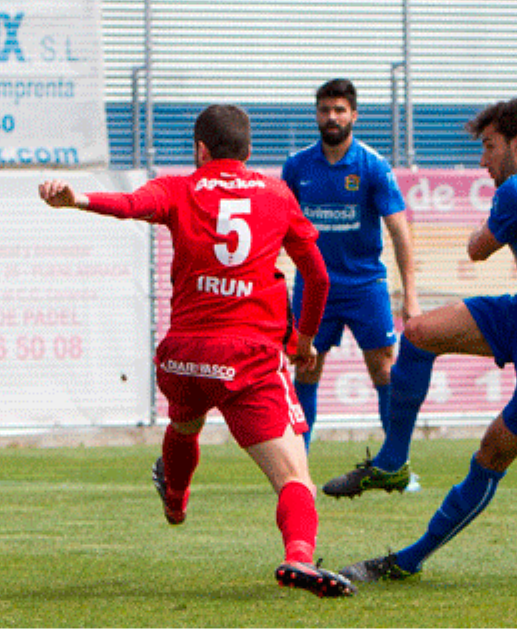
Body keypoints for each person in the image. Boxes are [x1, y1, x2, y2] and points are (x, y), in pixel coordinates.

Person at [39, 104, 353, 598]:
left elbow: (127, 204)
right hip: (247, 356)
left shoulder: (178, 188)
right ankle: (299, 559)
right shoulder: (276, 193)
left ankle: (176, 501)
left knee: (185, 422)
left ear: (201, 150)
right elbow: (317, 276)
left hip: (183, 357)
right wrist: (306, 341)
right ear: (248, 152)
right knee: (296, 477)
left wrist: (76, 198)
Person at [341, 97, 517, 582]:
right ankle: (393, 463)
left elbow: (477, 249)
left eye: (489, 147)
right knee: (419, 333)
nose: (483, 161)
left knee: (489, 454)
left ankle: (407, 561)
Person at [282, 78, 436, 481]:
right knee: (305, 369)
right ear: (316, 115)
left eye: (339, 110)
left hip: (365, 287)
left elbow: (400, 231)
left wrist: (411, 295)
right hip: (314, 288)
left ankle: (396, 465)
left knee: (384, 370)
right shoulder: (297, 167)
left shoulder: (372, 166)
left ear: (353, 115)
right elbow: (277, 225)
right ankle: (297, 467)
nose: (331, 117)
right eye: (324, 110)